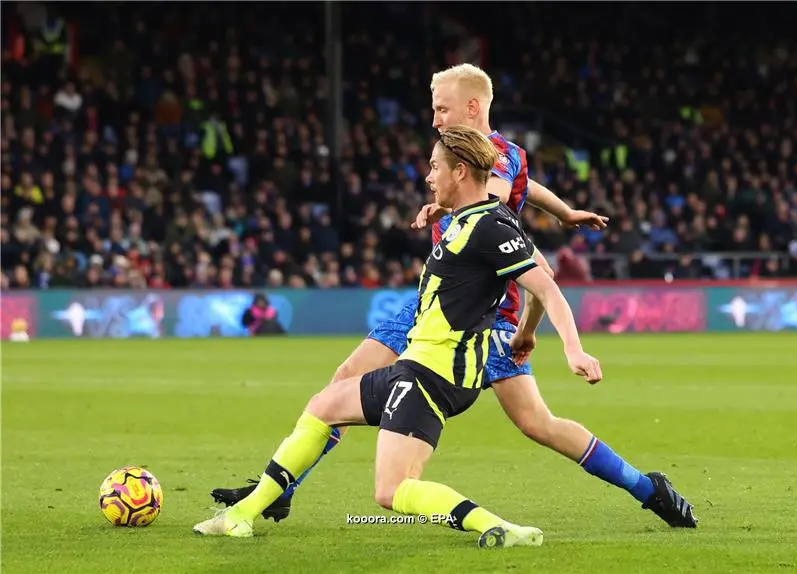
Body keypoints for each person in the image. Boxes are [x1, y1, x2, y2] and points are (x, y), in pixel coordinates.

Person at [212, 64, 697, 529]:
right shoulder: (468, 156)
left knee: (538, 424)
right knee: (342, 380)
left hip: (481, 317)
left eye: (441, 109)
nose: (434, 118)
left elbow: (503, 188)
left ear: (472, 108)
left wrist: (452, 202)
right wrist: (564, 211)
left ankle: (645, 487)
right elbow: (527, 186)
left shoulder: (495, 157)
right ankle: (280, 488)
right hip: (428, 306)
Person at [194, 125, 602, 547]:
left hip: (434, 375)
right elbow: (536, 284)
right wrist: (525, 332)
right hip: (419, 366)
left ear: (460, 172)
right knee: (324, 405)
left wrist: (573, 349)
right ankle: (242, 514)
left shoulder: (490, 227)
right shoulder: (467, 220)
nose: (428, 177)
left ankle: (502, 528)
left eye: (434, 167)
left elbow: (546, 286)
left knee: (391, 491)